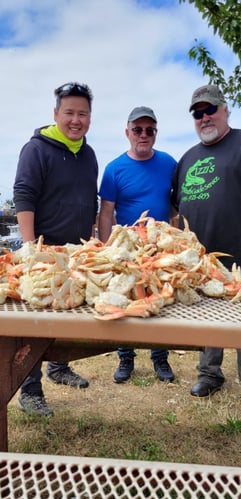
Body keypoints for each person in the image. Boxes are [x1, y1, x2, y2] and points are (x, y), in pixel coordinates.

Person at [13, 81, 98, 416]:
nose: (76, 120)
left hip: (77, 253)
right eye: (70, 113)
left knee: (69, 314)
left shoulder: (88, 154)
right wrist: (30, 247)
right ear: (56, 114)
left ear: (90, 117)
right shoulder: (36, 149)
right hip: (43, 252)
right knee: (36, 321)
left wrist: (92, 240)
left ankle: (59, 367)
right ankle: (29, 391)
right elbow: (24, 195)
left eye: (83, 114)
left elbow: (89, 200)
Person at [171, 83, 241, 411]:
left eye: (210, 110)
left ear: (225, 110)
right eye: (197, 113)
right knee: (207, 320)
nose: (204, 118)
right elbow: (177, 206)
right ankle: (210, 374)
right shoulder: (187, 158)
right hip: (203, 264)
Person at [98, 106, 177, 384]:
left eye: (149, 130)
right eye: (137, 129)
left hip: (159, 249)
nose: (143, 135)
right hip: (126, 249)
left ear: (155, 133)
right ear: (127, 132)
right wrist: (107, 248)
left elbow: (176, 207)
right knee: (125, 299)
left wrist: (175, 243)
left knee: (159, 301)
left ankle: (160, 358)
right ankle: (125, 357)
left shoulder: (169, 163)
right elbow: (106, 212)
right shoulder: (114, 169)